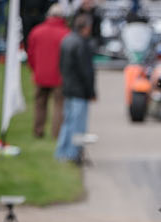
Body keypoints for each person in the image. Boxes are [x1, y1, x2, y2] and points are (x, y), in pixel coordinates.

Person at [55, 13, 95, 163]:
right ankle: (73, 154)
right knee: (78, 125)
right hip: (79, 90)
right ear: (85, 28)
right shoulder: (81, 44)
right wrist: (91, 91)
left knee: (67, 122)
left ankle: (61, 152)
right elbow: (86, 71)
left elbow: (61, 65)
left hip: (68, 87)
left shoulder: (67, 40)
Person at [27, 3, 69, 138]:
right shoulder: (66, 34)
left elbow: (30, 54)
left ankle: (38, 131)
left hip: (40, 75)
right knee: (59, 106)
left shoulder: (36, 31)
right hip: (59, 76)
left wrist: (34, 70)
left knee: (40, 104)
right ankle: (56, 134)